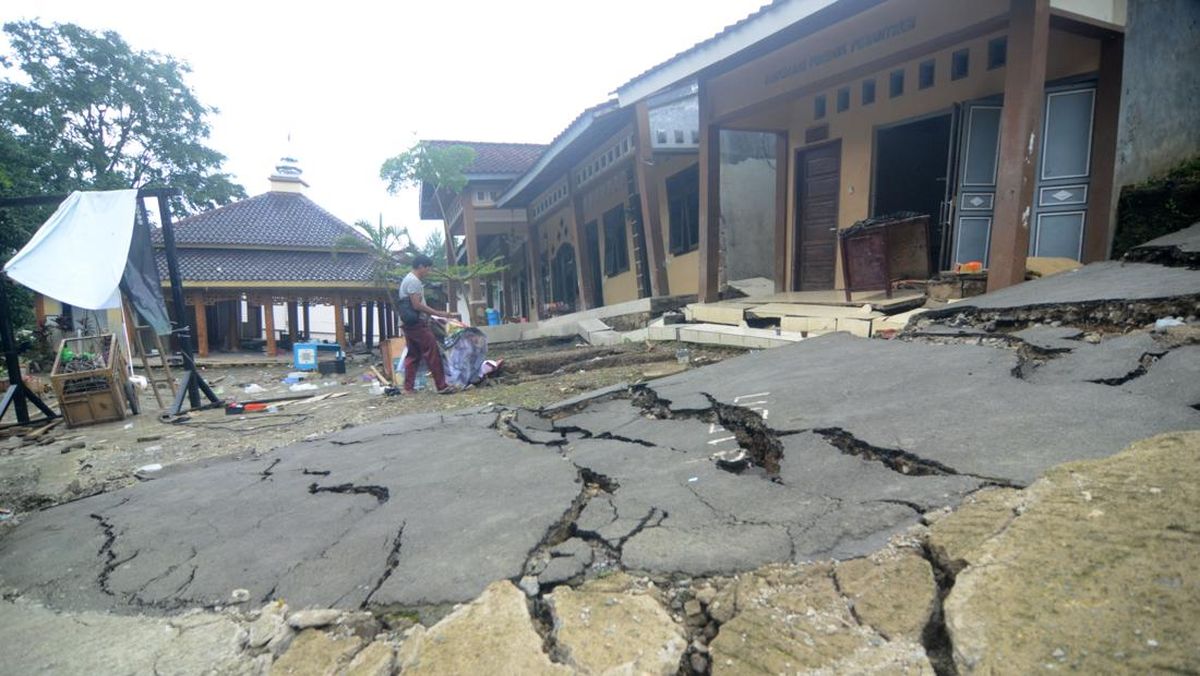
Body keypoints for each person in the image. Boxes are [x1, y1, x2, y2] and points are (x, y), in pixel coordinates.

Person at [398, 255, 455, 394]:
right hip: (417, 323)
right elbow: (417, 305)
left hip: (409, 323)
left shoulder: (408, 279)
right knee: (432, 351)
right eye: (427, 268)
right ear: (421, 266)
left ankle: (408, 387)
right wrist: (438, 313)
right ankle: (442, 386)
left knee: (413, 354)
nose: (428, 272)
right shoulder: (414, 281)